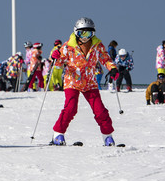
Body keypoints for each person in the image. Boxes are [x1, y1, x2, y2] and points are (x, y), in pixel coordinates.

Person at [50, 17, 119, 146]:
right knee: (70, 108)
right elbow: (59, 64)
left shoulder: (97, 45)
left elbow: (105, 58)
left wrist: (113, 68)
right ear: (76, 32)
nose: (86, 37)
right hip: (72, 81)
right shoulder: (68, 46)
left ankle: (107, 136)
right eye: (82, 33)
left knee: (100, 111)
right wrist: (55, 57)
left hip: (90, 82)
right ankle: (58, 134)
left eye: (89, 33)